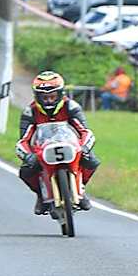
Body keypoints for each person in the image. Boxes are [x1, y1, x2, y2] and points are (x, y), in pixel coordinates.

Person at [16, 71, 101, 215]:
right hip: (43, 148)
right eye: (44, 98)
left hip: (71, 145)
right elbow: (23, 140)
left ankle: (81, 189)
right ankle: (41, 196)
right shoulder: (30, 112)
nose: (48, 101)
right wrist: (27, 155)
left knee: (91, 161)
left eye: (52, 97)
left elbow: (85, 131)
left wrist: (84, 146)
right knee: (26, 171)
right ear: (37, 97)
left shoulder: (71, 107)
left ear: (60, 94)